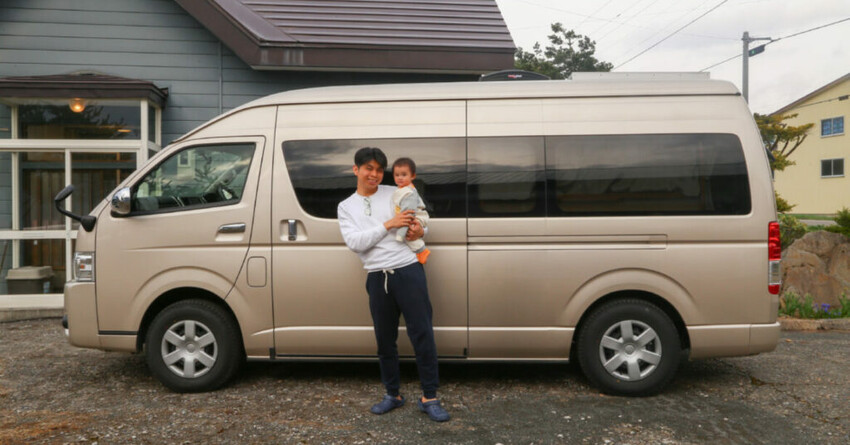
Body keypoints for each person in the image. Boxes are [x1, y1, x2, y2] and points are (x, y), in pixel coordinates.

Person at [337, 147, 450, 422]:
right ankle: (392, 394)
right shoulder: (346, 206)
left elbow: (421, 218)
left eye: (379, 169)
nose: (374, 174)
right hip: (377, 276)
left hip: (409, 269)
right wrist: (389, 224)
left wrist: (419, 229)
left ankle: (430, 397)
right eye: (368, 168)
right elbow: (355, 243)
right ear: (356, 170)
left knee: (422, 333)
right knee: (385, 339)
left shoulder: (397, 191)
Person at [391, 157, 431, 264]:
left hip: (415, 217)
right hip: (412, 216)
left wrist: (400, 235)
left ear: (412, 176)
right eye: (397, 175)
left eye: (404, 175)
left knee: (408, 234)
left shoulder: (408, 193)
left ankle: (422, 251)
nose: (400, 178)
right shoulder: (402, 189)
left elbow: (408, 214)